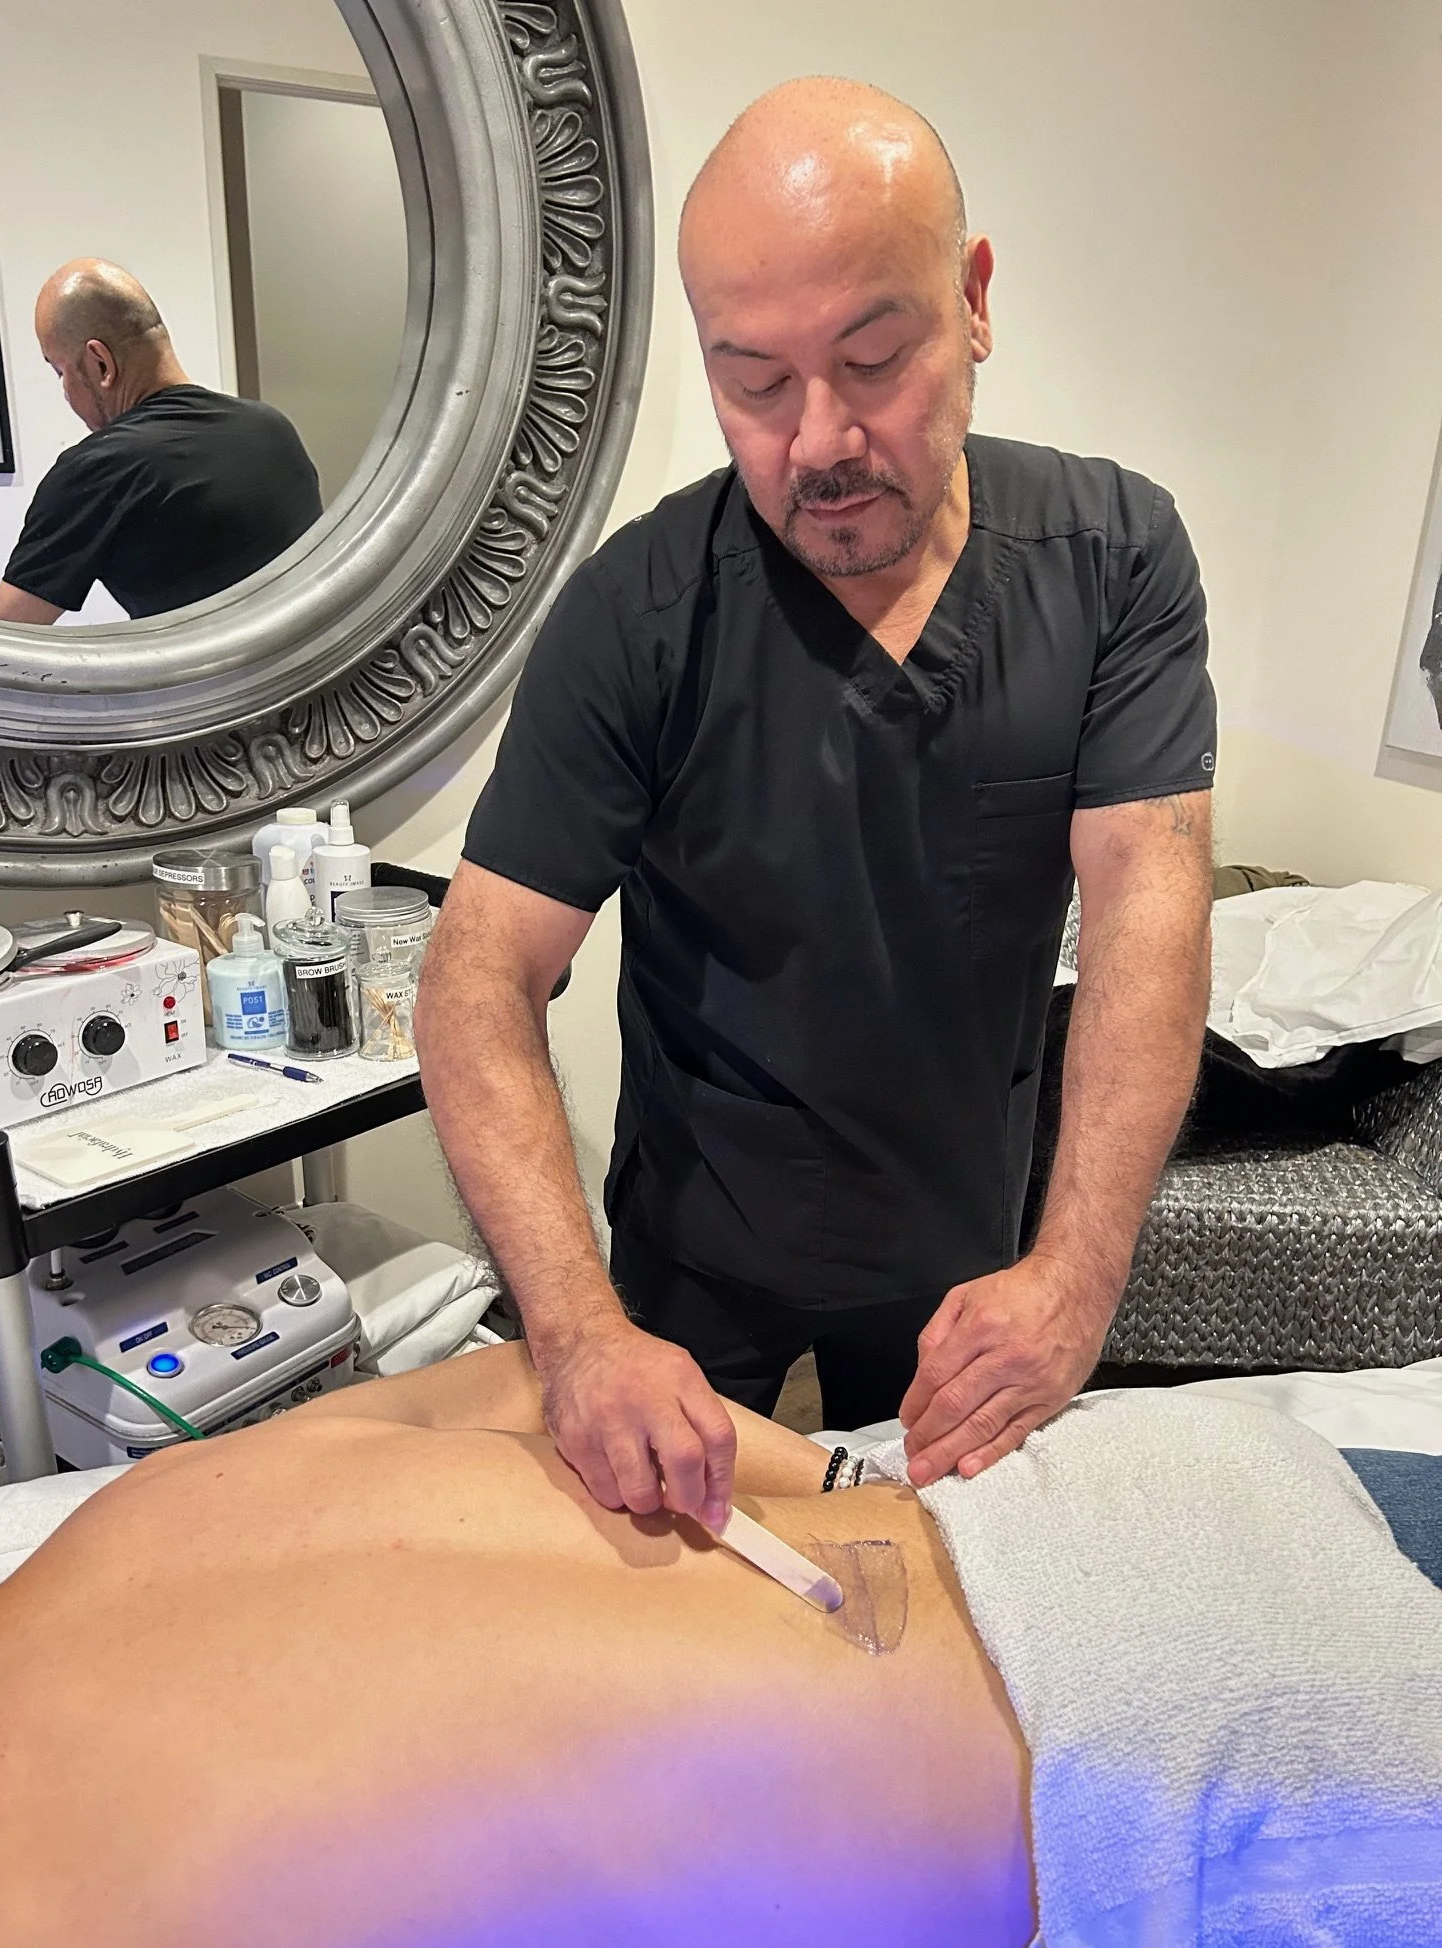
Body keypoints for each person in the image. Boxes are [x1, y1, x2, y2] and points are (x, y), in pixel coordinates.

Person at [415, 76, 1216, 1534]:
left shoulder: (1114, 562)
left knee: (931, 1588)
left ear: (974, 301)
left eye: (874, 357)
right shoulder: (634, 619)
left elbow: (1146, 914)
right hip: (699, 1230)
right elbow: (476, 980)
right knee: (666, 1573)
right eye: (756, 383)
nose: (821, 440)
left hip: (963, 1234)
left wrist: (1076, 1275)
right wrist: (580, 1337)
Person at [0, 1344, 1438, 1948]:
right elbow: (537, 1377)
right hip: (1159, 1485)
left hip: (1221, 1774)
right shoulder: (147, 1508)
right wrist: (844, 1480)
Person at [0, 258, 321, 623]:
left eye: (59, 371)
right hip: (326, 656)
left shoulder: (97, 469)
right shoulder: (272, 427)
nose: (65, 392)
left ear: (101, 364)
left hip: (230, 664)